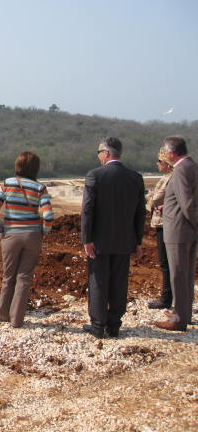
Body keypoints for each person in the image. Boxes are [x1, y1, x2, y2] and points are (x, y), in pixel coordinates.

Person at [81, 137, 146, 338]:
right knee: (119, 283)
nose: (99, 156)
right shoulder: (135, 177)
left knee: (98, 282)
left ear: (106, 153)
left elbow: (87, 210)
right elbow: (140, 212)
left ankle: (98, 326)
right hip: (125, 241)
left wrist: (86, 239)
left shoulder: (95, 175)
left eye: (99, 152)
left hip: (99, 241)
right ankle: (114, 325)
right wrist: (137, 241)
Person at [0, 151, 54, 327]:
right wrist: (44, 231)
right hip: (33, 236)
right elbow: (48, 215)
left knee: (8, 276)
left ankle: (2, 314)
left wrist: (0, 229)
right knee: (24, 278)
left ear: (18, 165)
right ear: (36, 168)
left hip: (11, 235)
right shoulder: (40, 188)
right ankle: (17, 320)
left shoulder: (7, 184)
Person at [153, 135, 198, 332]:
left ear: (171, 152)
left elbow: (187, 204)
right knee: (186, 274)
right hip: (187, 229)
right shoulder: (192, 166)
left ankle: (179, 319)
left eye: (165, 151)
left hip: (179, 230)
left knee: (178, 274)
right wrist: (168, 207)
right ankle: (184, 312)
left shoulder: (180, 171)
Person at [145, 148, 174, 310]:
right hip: (163, 222)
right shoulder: (167, 178)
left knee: (165, 262)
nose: (157, 164)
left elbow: (156, 198)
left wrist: (147, 200)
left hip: (164, 223)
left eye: (160, 161)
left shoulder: (168, 179)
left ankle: (166, 298)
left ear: (167, 164)